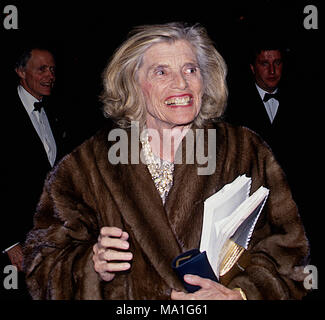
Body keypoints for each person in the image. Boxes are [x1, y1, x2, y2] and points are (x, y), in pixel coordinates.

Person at [23, 23, 309, 300]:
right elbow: (41, 263)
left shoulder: (244, 150)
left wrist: (242, 294)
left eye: (191, 69)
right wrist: (91, 265)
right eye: (162, 72)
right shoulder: (89, 165)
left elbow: (289, 248)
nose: (181, 83)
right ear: (133, 83)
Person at [0, 47, 69, 299]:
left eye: (52, 69)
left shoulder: (55, 112)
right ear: (20, 72)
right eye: (42, 69)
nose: (50, 75)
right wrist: (8, 243)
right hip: (15, 242)